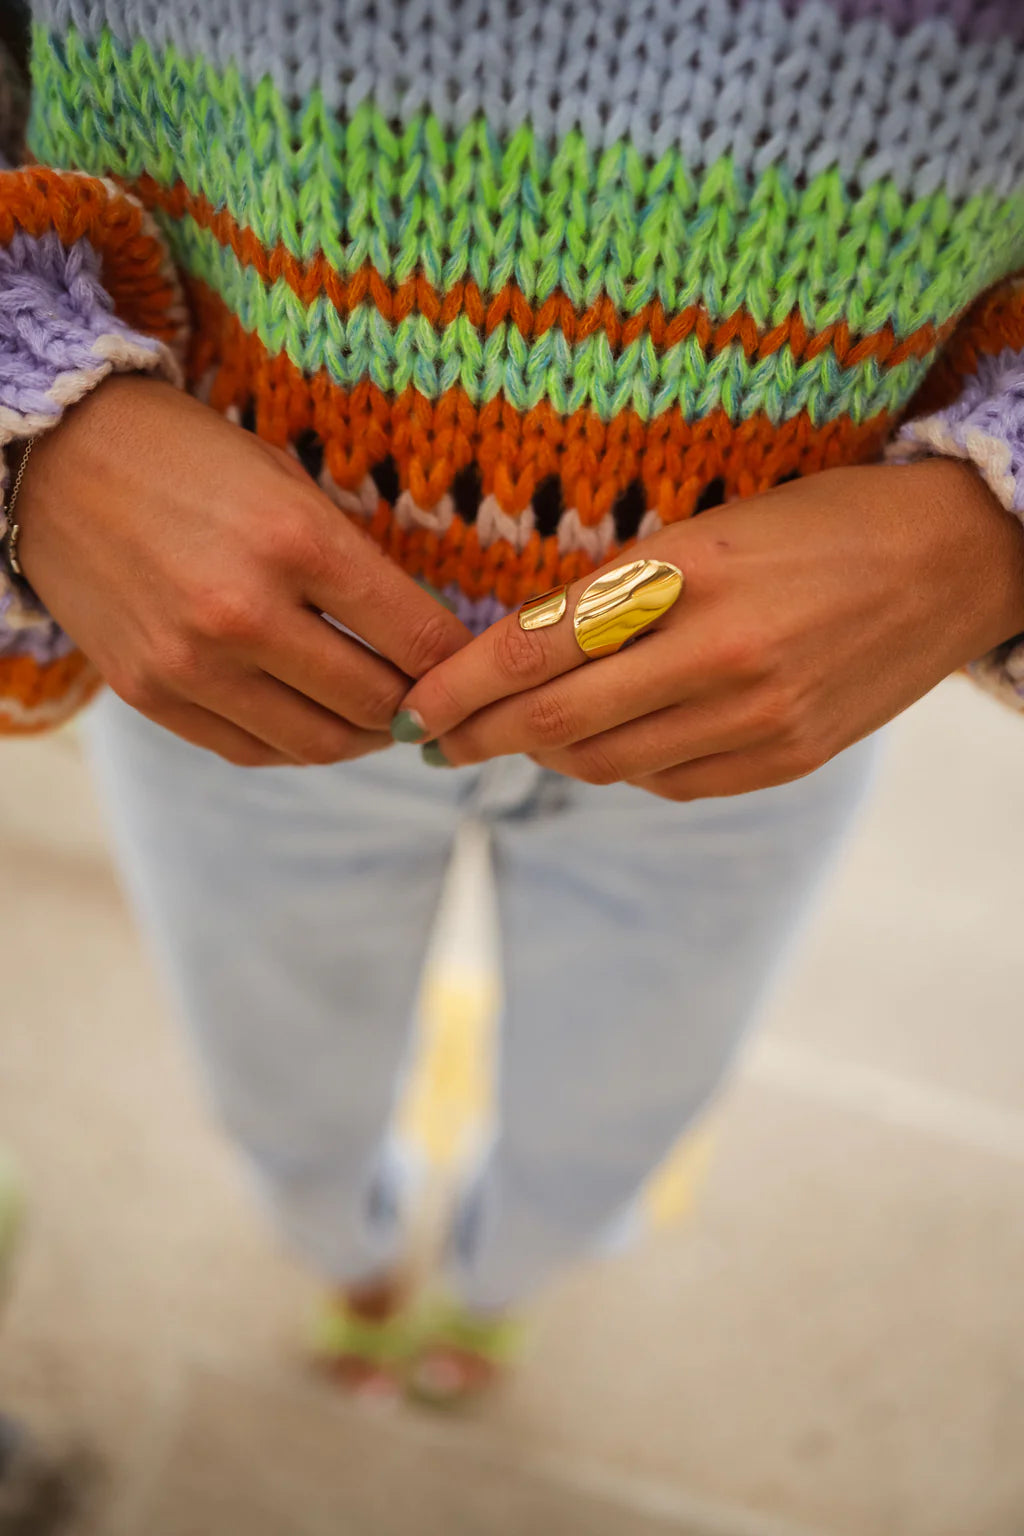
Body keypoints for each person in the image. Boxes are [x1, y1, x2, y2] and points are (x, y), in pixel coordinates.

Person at [1, 0, 1023, 1404]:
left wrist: (990, 529)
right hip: (229, 640)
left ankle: (507, 1277)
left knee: (619, 1113)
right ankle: (341, 1247)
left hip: (763, 692)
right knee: (278, 1084)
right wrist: (32, 418)